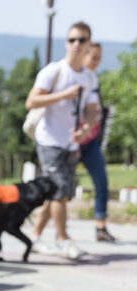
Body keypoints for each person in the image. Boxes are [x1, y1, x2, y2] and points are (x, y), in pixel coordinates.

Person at [26, 21, 100, 259]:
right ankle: (63, 240)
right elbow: (31, 102)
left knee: (55, 192)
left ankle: (34, 237)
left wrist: (85, 128)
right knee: (60, 191)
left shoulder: (89, 78)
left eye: (81, 40)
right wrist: (63, 95)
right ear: (66, 43)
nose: (76, 44)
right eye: (72, 40)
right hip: (49, 140)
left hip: (71, 142)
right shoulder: (53, 71)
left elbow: (91, 109)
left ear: (89, 43)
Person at [79, 42, 117, 242]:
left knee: (102, 184)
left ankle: (100, 228)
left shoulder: (93, 79)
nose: (97, 62)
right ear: (83, 56)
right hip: (75, 141)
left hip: (91, 141)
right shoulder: (77, 79)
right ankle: (39, 231)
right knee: (59, 188)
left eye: (99, 58)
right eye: (93, 57)